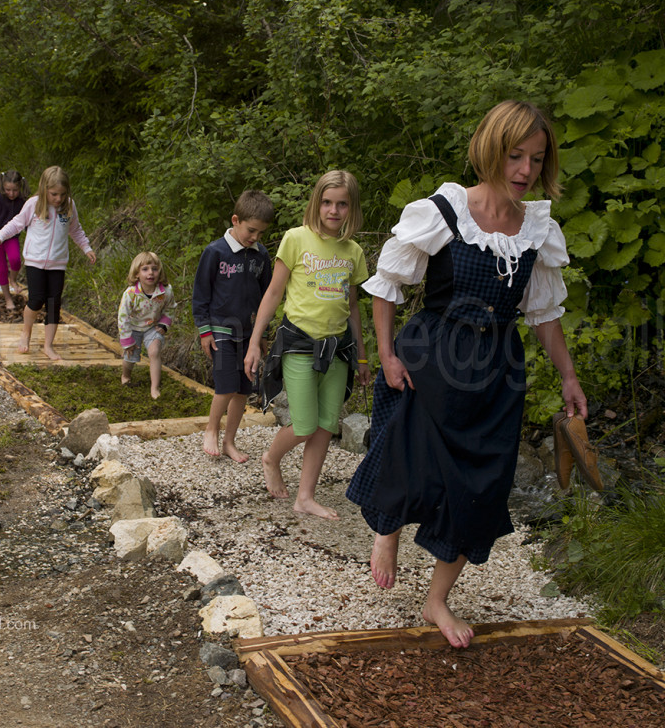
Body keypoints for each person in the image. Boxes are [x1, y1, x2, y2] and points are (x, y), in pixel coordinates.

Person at [345, 100, 587, 649]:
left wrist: (569, 377)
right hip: (434, 353)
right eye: (514, 156)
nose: (525, 170)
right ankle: (388, 529)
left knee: (482, 485)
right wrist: (386, 355)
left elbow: (544, 313)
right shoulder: (443, 211)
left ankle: (437, 600)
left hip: (497, 370)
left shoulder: (538, 229)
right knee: (410, 454)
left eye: (536, 158)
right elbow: (386, 286)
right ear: (490, 151)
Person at [244, 170, 371, 520]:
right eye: (327, 202)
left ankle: (306, 496)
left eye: (342, 204)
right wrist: (255, 343)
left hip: (339, 350)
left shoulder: (353, 251)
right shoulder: (295, 239)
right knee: (303, 424)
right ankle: (272, 457)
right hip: (299, 343)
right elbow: (273, 293)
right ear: (317, 203)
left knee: (326, 424)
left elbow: (354, 306)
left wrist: (362, 356)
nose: (334, 210)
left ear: (351, 208)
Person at [192, 190, 275, 462]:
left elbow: (266, 297)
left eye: (261, 233)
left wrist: (262, 334)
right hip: (220, 331)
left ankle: (229, 441)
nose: (255, 238)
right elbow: (201, 295)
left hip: (248, 334)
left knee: (243, 388)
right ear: (236, 220)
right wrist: (204, 331)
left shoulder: (261, 256)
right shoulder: (214, 252)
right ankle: (211, 429)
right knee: (226, 385)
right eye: (251, 230)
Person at [0, 166, 96, 360]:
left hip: (58, 263)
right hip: (35, 262)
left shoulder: (69, 206)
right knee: (36, 300)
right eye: (54, 194)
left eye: (62, 194)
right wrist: (1, 236)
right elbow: (17, 223)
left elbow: (76, 230)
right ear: (45, 189)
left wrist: (86, 248)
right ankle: (26, 333)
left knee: (54, 303)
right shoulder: (34, 204)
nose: (58, 199)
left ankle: (48, 345)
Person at [118, 252, 175, 399]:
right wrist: (126, 340)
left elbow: (170, 308)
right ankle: (126, 376)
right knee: (130, 357)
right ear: (137, 274)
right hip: (133, 328)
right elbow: (123, 317)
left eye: (154, 269)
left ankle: (154, 388)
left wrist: (164, 324)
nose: (150, 273)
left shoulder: (166, 291)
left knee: (154, 351)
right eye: (145, 269)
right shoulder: (130, 294)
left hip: (152, 327)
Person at [0, 170, 29, 310]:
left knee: (15, 260)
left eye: (15, 190)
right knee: (1, 268)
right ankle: (8, 298)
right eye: (8, 190)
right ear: (3, 187)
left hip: (11, 237)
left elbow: (26, 220)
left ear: (20, 188)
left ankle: (13, 279)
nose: (11, 193)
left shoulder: (23, 202)